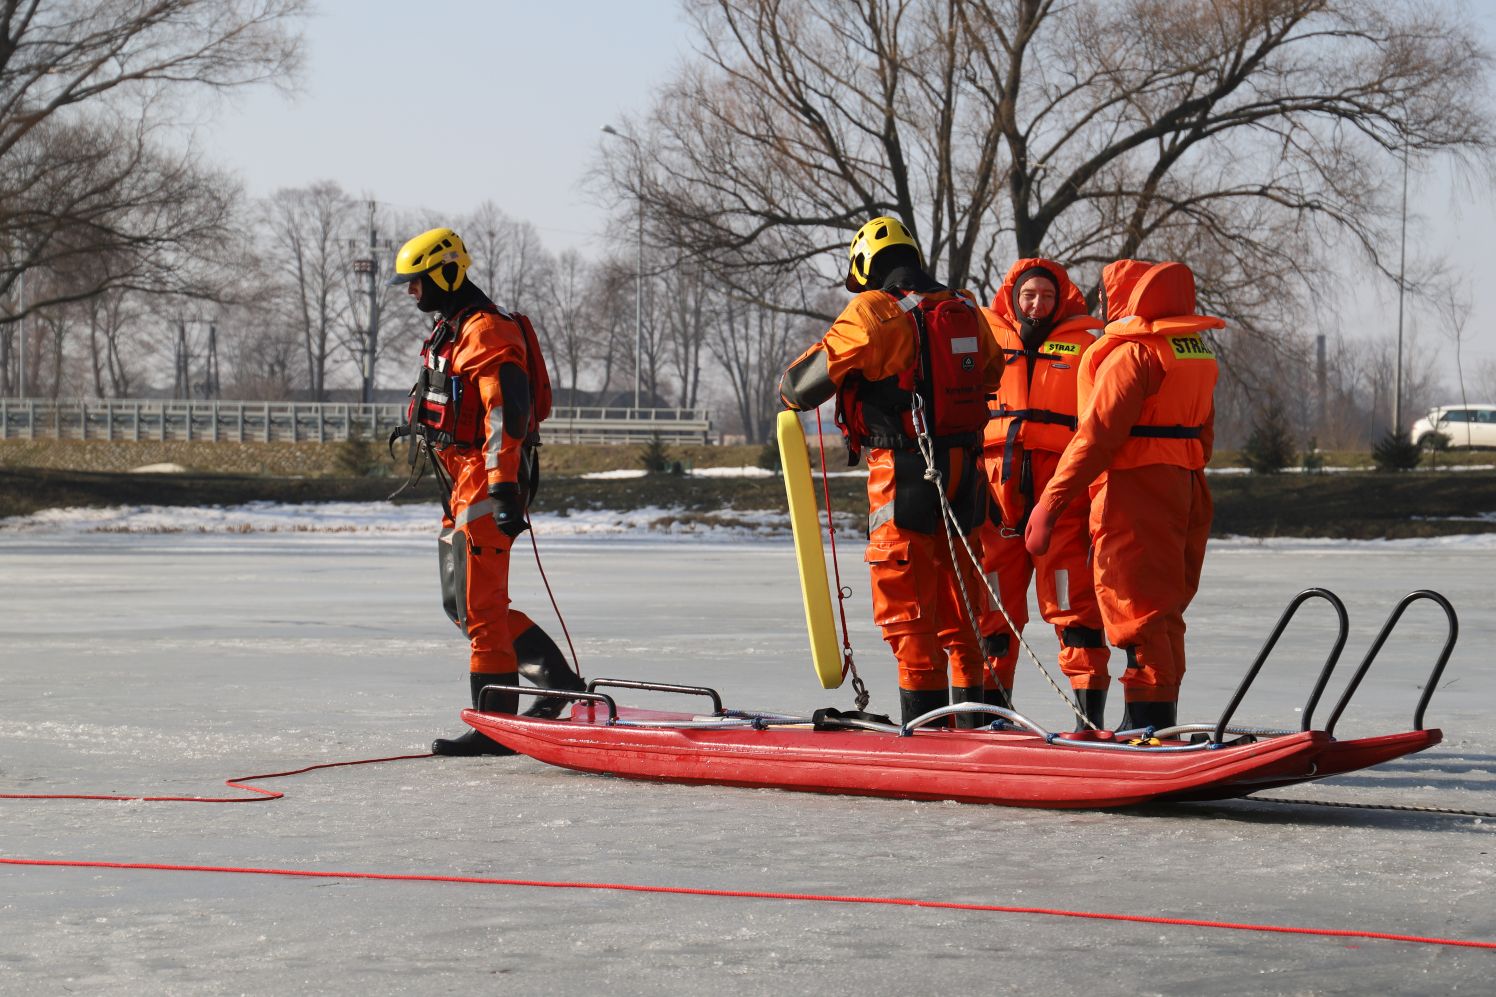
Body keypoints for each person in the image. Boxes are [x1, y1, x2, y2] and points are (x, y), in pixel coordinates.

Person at [779, 216, 1005, 726]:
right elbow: (992, 370)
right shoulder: (965, 305)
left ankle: (924, 734)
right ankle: (981, 728)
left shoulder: (872, 311)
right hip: (965, 473)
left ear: (865, 264)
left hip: (903, 473)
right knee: (965, 612)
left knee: (909, 618)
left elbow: (800, 387)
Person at [388, 226, 584, 755]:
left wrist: (502, 488)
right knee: (462, 604)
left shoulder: (486, 331)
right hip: (461, 478)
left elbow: (507, 412)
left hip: (488, 474)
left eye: (417, 281)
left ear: (447, 273)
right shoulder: (451, 328)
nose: (411, 293)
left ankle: (495, 725)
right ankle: (558, 681)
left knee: (480, 607)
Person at [1025, 259, 1222, 731]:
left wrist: (1050, 503)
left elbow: (1096, 437)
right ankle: (1153, 721)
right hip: (1188, 486)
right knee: (1164, 614)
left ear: (1122, 299)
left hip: (1135, 491)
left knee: (1138, 613)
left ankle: (1147, 731)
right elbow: (1206, 434)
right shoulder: (1192, 348)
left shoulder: (1131, 353)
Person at [975, 259, 1111, 728]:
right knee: (994, 611)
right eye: (1029, 295)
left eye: (1048, 297)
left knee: (1073, 610)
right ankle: (993, 715)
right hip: (997, 501)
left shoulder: (1085, 347)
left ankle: (1087, 719)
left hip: (1060, 502)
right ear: (1013, 298)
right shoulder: (986, 338)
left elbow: (1100, 423)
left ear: (1062, 300)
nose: (1038, 304)